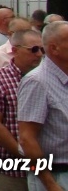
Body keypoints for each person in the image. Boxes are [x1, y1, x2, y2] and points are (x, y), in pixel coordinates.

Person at [0, 29, 43, 191]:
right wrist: (23, 155)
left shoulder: (46, 78)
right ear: (15, 50)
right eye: (34, 49)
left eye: (42, 49)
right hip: (12, 171)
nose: (39, 54)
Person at [18, 21, 68, 191]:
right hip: (55, 175)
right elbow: (26, 138)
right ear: (54, 48)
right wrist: (51, 184)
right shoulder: (37, 81)